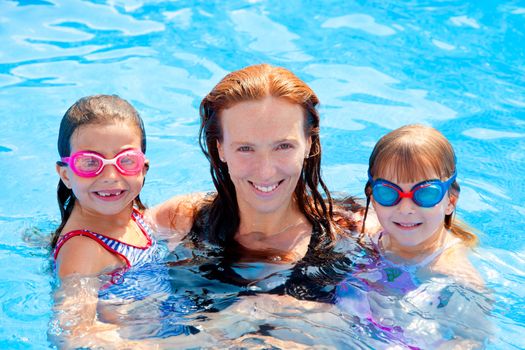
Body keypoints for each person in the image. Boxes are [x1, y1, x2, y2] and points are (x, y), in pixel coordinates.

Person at [150, 63, 364, 271]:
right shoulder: (183, 218)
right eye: (245, 148)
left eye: (283, 146)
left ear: (308, 144)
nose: (265, 171)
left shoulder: (354, 229)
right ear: (221, 148)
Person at [50, 95, 192, 348]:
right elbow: (72, 333)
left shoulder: (133, 217)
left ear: (144, 168)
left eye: (126, 160)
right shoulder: (83, 249)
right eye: (90, 162)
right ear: (66, 175)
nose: (110, 176)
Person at [337, 124, 489, 348]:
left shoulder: (455, 276)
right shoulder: (368, 228)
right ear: (373, 196)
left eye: (425, 193)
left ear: (450, 201)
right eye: (388, 192)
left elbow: (472, 339)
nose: (406, 208)